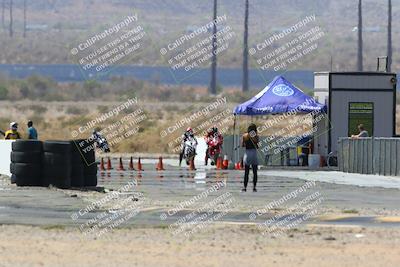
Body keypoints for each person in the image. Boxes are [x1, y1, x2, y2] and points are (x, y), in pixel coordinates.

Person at [241, 123, 259, 192]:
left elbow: (242, 145)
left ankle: (245, 187)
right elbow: (257, 144)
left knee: (246, 172)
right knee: (255, 172)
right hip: (254, 154)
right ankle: (254, 187)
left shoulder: (245, 136)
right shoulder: (256, 136)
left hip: (247, 154)